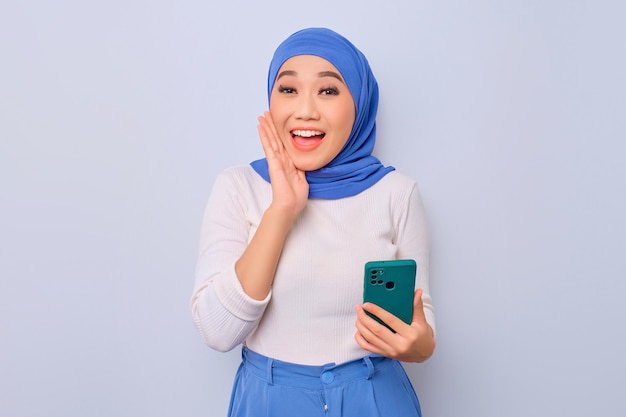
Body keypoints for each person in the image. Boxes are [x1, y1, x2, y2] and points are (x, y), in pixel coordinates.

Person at [191, 27, 436, 417]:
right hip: (270, 401)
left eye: (328, 91)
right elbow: (218, 332)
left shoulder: (396, 193)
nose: (305, 110)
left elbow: (423, 330)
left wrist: (418, 344)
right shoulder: (239, 187)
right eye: (288, 90)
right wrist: (282, 209)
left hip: (375, 398)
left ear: (359, 104)